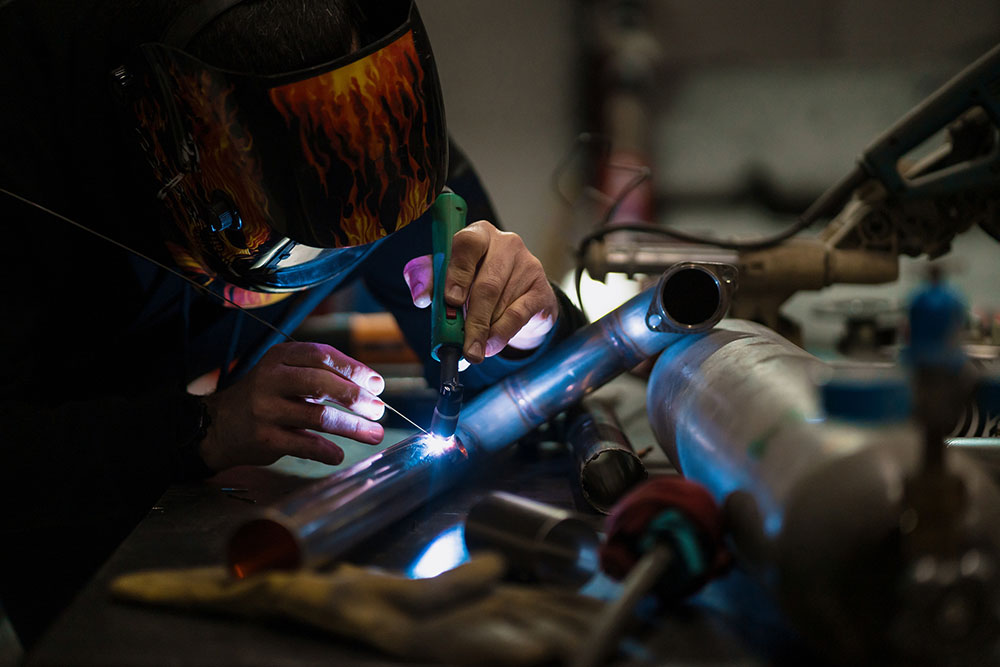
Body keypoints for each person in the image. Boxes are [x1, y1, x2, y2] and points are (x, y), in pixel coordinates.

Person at [0, 0, 582, 646]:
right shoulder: (27, 130)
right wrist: (199, 426)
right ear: (186, 145)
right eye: (295, 240)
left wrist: (530, 326)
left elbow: (498, 363)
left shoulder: (362, 120)